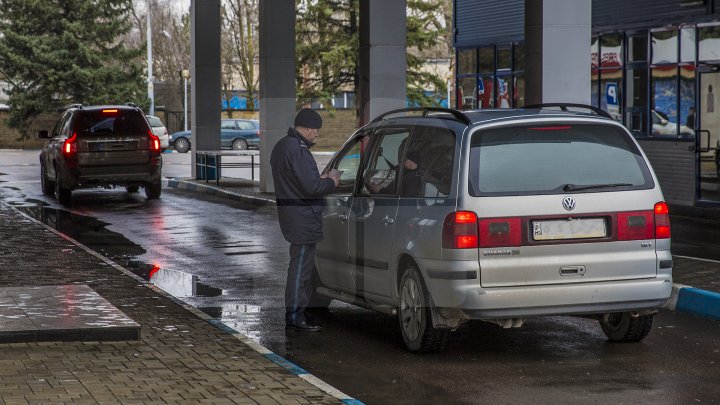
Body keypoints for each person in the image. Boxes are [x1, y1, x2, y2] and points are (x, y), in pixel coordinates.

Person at [270, 108, 341, 332]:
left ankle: (298, 312)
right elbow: (312, 187)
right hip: (303, 217)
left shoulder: (282, 146)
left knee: (299, 267)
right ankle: (295, 315)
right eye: (316, 131)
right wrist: (332, 182)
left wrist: (316, 179)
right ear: (308, 127)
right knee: (300, 269)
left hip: (291, 214)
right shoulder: (299, 150)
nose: (316, 135)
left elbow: (295, 180)